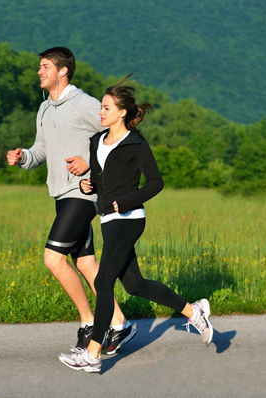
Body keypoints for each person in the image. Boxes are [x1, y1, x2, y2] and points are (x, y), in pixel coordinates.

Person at [58, 74, 214, 373]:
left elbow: (156, 182)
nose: (100, 112)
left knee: (103, 281)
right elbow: (104, 178)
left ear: (122, 112)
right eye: (101, 107)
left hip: (129, 219)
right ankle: (194, 312)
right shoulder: (96, 141)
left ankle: (92, 353)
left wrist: (128, 200)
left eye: (105, 108)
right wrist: (90, 186)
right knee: (135, 285)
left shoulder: (136, 144)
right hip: (108, 218)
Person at [7, 47, 135, 353]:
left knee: (53, 258)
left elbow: (119, 137)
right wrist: (23, 156)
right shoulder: (44, 109)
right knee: (85, 262)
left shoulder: (84, 104)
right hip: (61, 194)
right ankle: (120, 323)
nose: (39, 71)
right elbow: (41, 151)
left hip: (83, 193)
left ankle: (90, 322)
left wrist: (90, 165)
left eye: (45, 66)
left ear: (63, 70)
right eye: (39, 66)